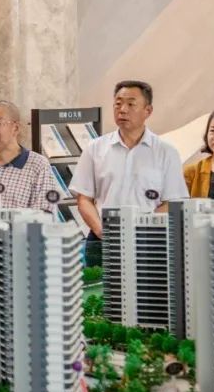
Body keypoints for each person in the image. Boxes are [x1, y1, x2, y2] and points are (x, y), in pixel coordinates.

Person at [69, 80, 188, 266]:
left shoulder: (166, 152)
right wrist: (101, 231)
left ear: (148, 111)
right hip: (103, 239)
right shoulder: (95, 148)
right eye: (118, 104)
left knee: (149, 285)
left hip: (149, 241)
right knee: (98, 285)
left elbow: (172, 202)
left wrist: (142, 229)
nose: (122, 110)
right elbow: (84, 198)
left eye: (131, 104)